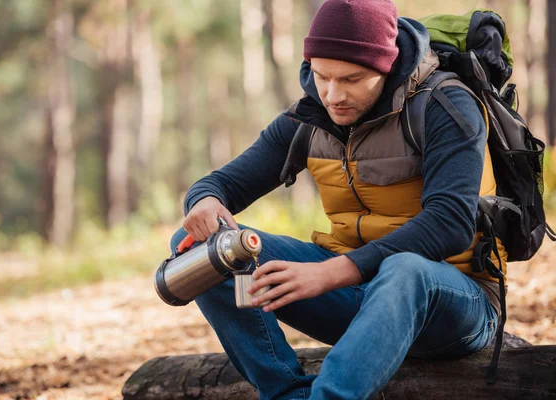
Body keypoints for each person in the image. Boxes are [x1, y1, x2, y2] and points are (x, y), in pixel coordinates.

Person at [170, 0, 504, 398]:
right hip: (355, 295)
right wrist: (203, 200)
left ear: (388, 63)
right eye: (322, 75)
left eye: (351, 78)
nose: (333, 94)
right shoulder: (309, 117)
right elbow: (224, 182)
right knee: (205, 251)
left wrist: (332, 272)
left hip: (454, 302)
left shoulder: (446, 106)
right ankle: (286, 393)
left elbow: (449, 224)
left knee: (404, 270)